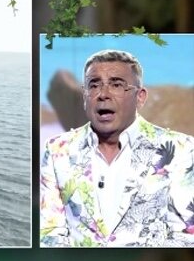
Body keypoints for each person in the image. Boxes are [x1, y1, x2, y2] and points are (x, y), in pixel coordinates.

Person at [40, 49, 194, 247]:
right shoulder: (57, 150)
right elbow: (50, 233)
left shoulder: (181, 149)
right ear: (85, 95)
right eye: (94, 85)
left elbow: (187, 234)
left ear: (140, 97)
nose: (103, 94)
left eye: (117, 85)